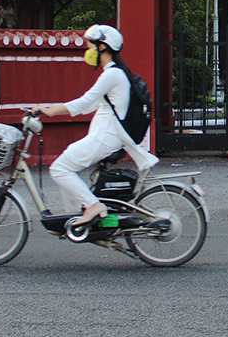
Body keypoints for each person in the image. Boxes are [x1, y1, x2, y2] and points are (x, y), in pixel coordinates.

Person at [33, 25, 158, 226]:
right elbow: (89, 105)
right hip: (104, 135)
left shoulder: (112, 74)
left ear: (102, 48)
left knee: (59, 169)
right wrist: (50, 108)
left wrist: (49, 111)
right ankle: (75, 219)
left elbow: (83, 102)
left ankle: (93, 206)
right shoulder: (115, 73)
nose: (88, 51)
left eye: (91, 45)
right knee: (66, 164)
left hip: (105, 137)